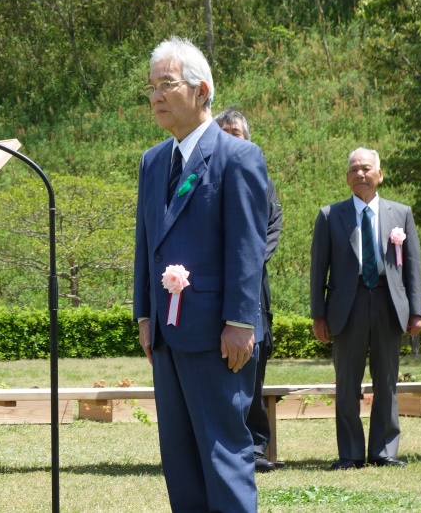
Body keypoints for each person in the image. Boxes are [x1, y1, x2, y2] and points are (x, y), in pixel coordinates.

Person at [133, 37, 268, 513]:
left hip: (219, 337)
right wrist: (145, 317)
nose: (156, 96)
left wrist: (241, 322)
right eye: (151, 87)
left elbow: (247, 248)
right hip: (168, 336)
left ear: (201, 89)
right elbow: (145, 245)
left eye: (167, 84)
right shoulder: (153, 162)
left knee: (223, 453)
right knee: (180, 458)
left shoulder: (237, 157)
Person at [309, 148, 421, 470]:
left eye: (367, 168)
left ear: (380, 174)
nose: (360, 174)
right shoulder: (330, 215)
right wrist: (319, 314)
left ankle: (384, 451)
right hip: (348, 305)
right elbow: (319, 269)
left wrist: (416, 310)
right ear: (347, 177)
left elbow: (413, 267)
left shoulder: (401, 213)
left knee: (387, 380)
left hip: (389, 303)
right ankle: (350, 454)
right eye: (354, 169)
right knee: (347, 383)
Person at [215, 107, 282, 473]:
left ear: (248, 137)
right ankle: (223, 445)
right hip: (211, 287)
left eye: (235, 132)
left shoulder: (260, 177)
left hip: (253, 289)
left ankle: (255, 449)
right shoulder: (204, 174)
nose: (229, 136)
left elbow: (272, 226)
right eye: (222, 131)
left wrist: (247, 265)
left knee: (254, 367)